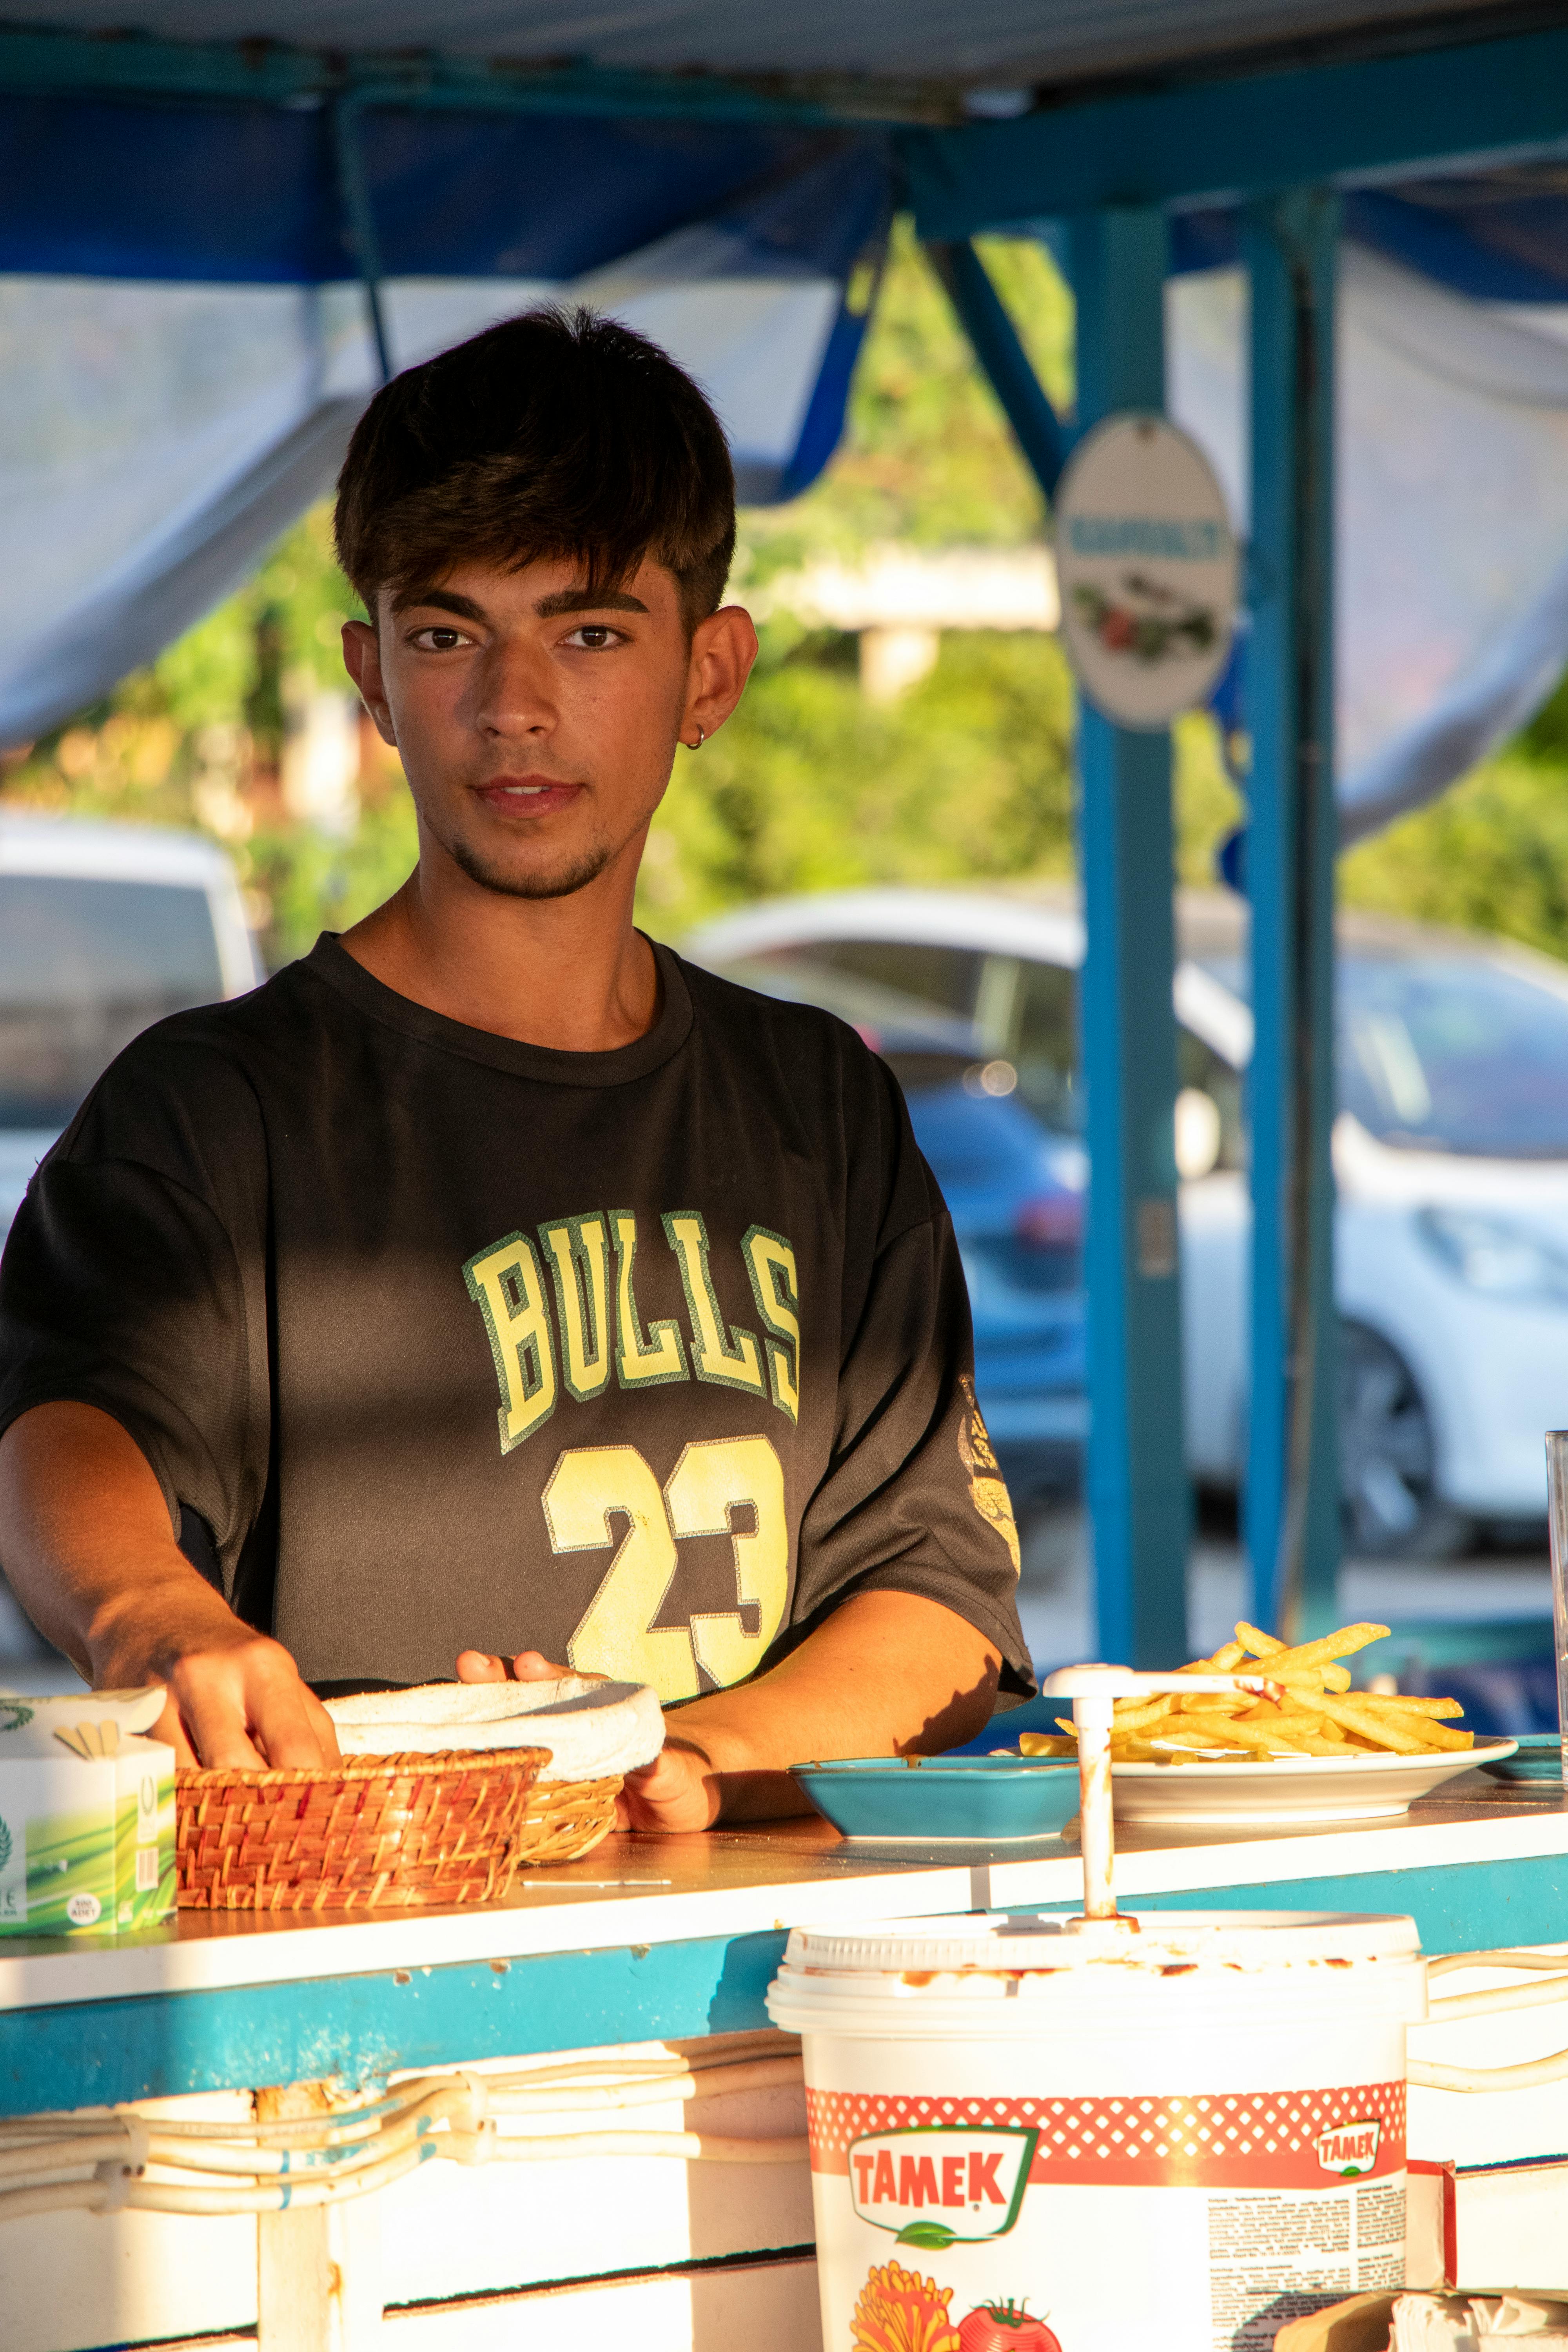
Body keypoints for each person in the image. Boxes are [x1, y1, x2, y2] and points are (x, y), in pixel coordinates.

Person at [0, 308, 1030, 1831]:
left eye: (592, 631)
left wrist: (673, 1764)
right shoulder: (217, 1107)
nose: (514, 706)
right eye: (447, 633)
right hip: (354, 1974)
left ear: (711, 672)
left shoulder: (820, 1103)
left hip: (761, 1984)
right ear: (373, 676)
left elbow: (939, 1588)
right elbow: (62, 1425)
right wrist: (151, 1609)